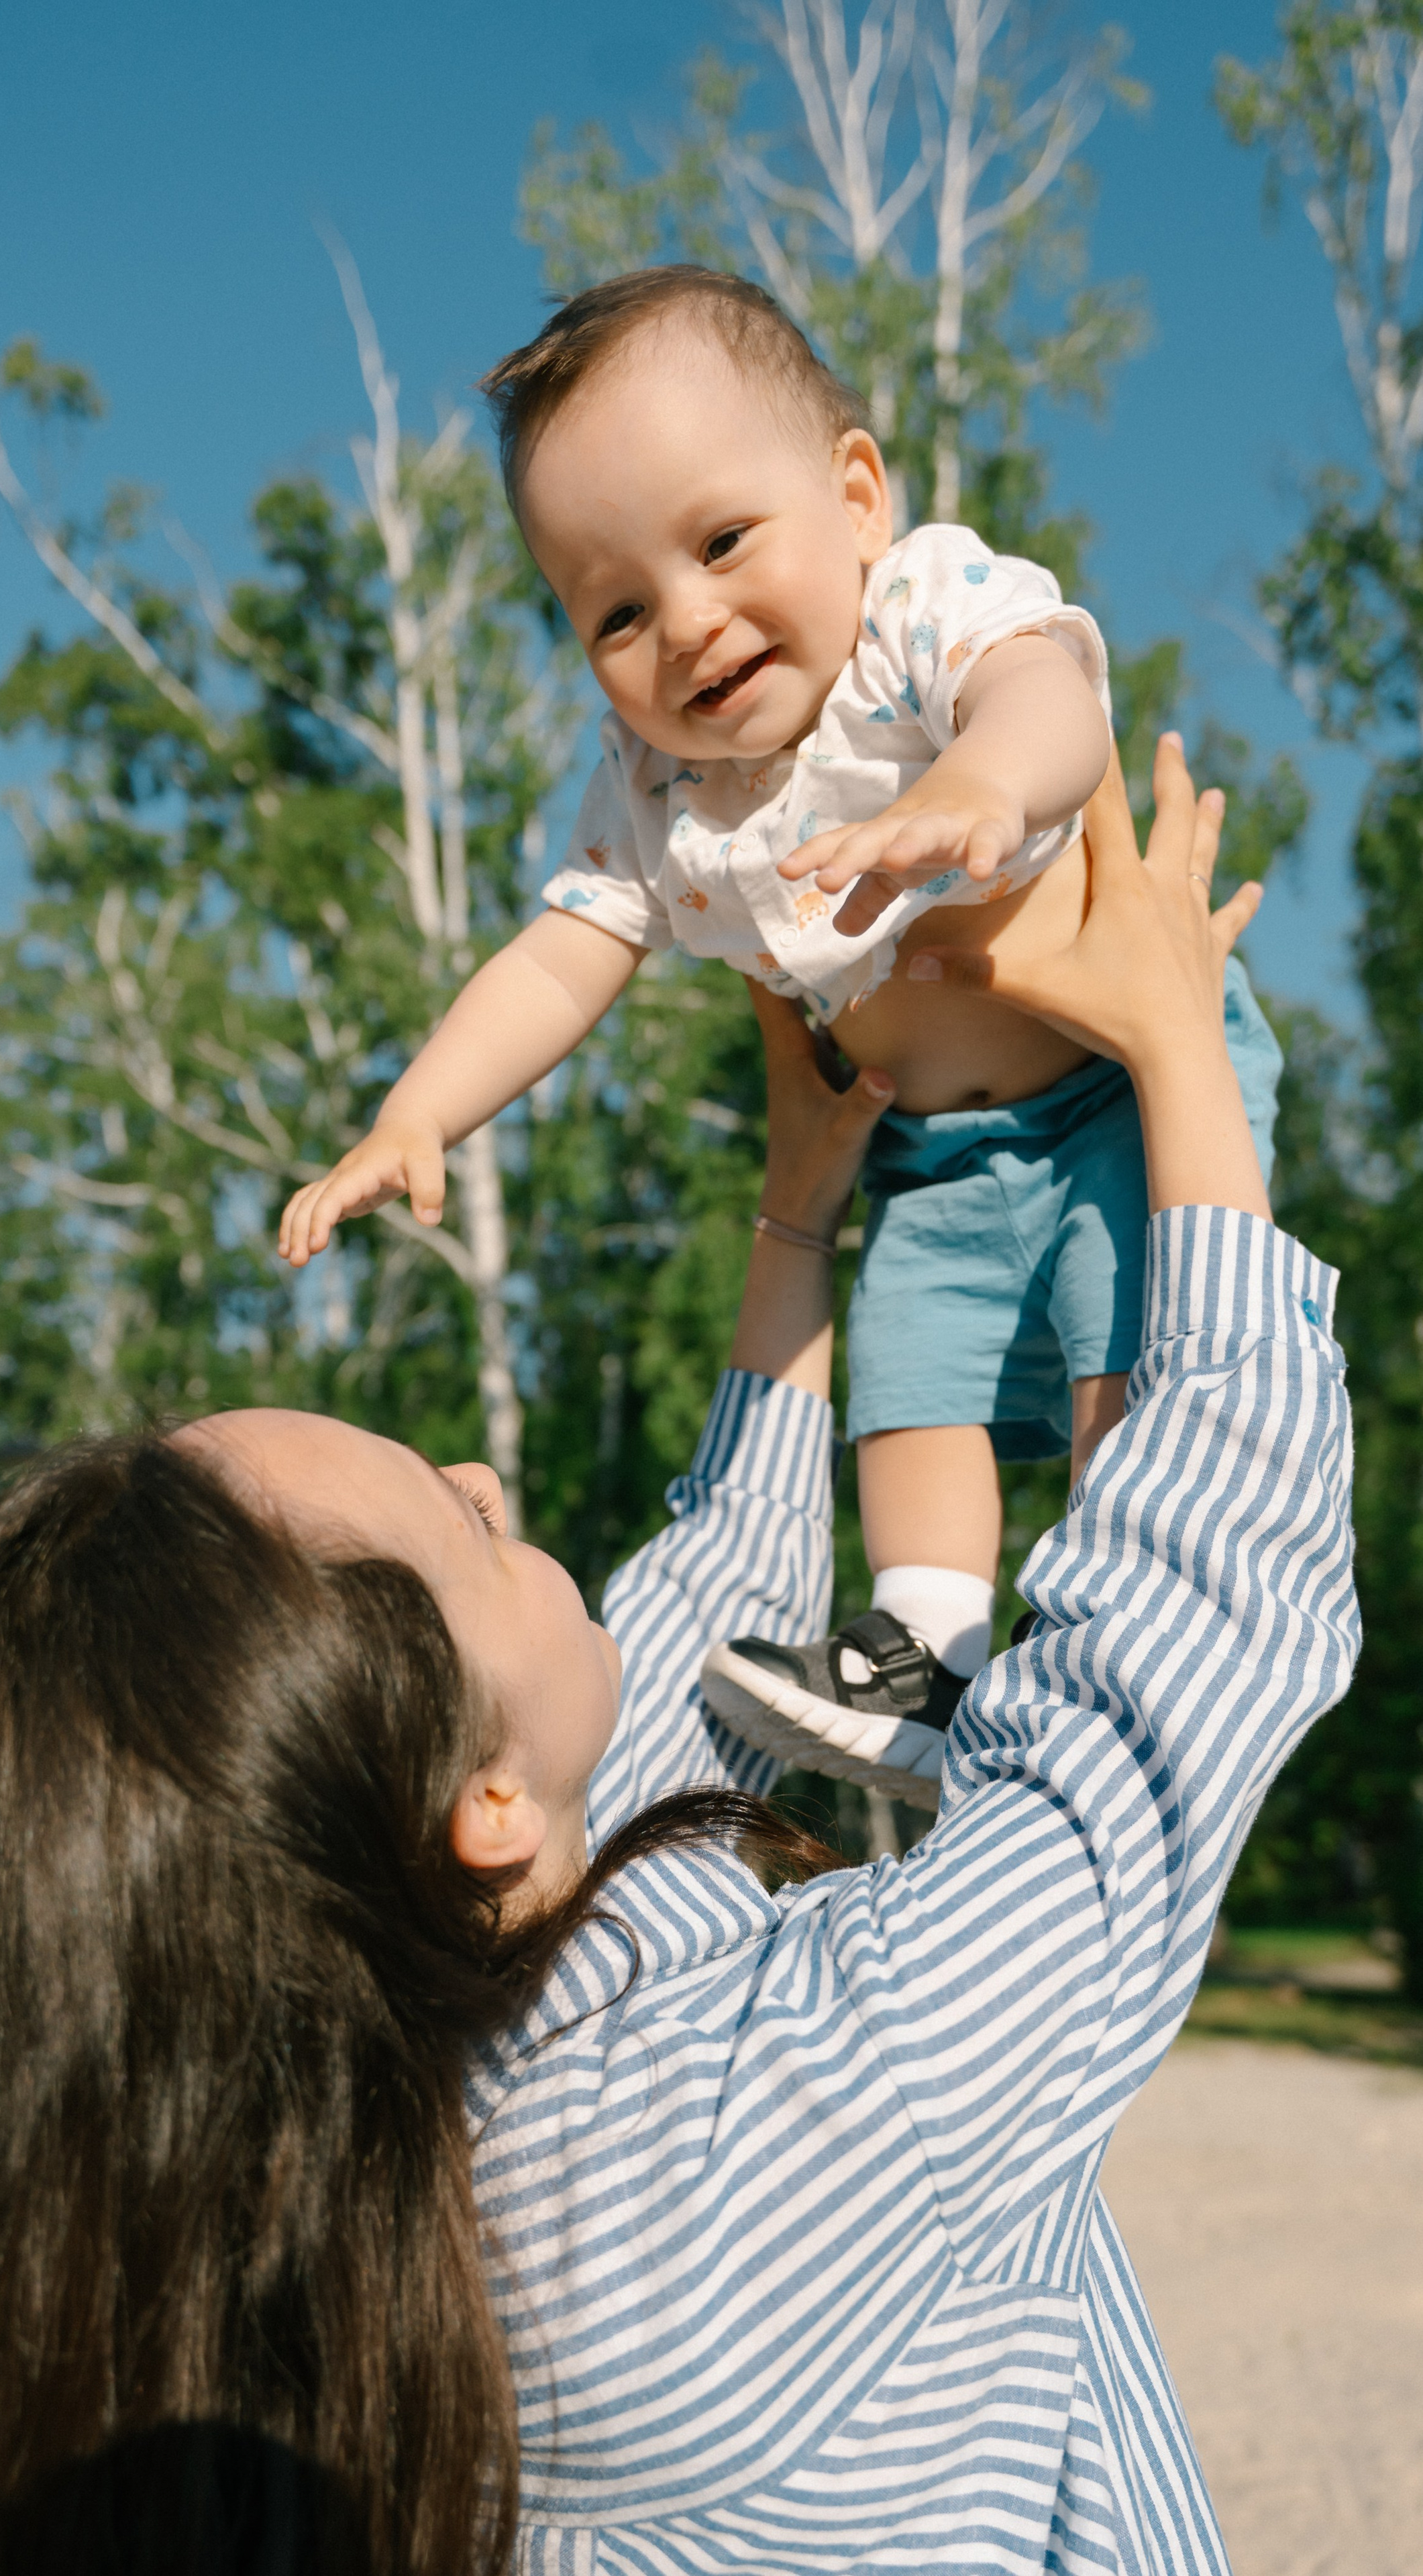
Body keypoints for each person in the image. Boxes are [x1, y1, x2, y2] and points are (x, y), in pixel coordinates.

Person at [0, 746, 1355, 2576]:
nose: (490, 1483)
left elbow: (712, 1596)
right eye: (457, 1519)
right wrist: (1179, 1053)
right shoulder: (765, 2160)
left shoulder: (383, 2108)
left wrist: (798, 1207)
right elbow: (1171, 1670)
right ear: (479, 1799)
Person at [278, 266, 1284, 1801]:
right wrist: (418, 1112)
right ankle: (925, 1647)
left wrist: (980, 782)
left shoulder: (916, 617)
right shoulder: (654, 789)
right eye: (617, 611)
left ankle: (1125, 1624)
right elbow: (561, 956)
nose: (685, 623)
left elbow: (1053, 702)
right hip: (933, 1157)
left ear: (856, 497)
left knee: (1122, 1360)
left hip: (1116, 1094)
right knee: (905, 1376)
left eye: (721, 543)